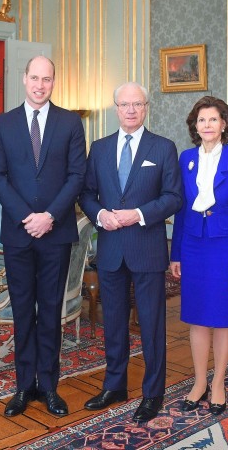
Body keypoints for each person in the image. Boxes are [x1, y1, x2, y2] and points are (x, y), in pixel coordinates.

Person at [0, 55, 86, 418]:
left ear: (53, 82)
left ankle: (49, 387)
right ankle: (22, 386)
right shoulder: (4, 123)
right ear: (24, 79)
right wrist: (27, 217)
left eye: (47, 79)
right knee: (22, 313)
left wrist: (49, 216)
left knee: (50, 313)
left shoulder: (70, 122)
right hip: (18, 234)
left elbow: (77, 175)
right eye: (34, 78)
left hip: (55, 234)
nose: (40, 85)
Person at [79, 82, 182, 423]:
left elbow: (172, 197)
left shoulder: (164, 148)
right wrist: (99, 214)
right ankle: (115, 385)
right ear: (116, 108)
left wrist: (137, 214)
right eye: (125, 104)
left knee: (152, 324)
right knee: (114, 324)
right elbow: (88, 194)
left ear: (146, 107)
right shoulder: (101, 147)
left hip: (147, 248)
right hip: (110, 249)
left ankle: (153, 394)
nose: (131, 110)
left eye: (137, 104)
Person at [169, 96, 228, 416]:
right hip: (193, 247)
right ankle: (199, 382)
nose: (207, 125)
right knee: (197, 317)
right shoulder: (185, 158)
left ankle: (218, 382)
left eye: (213, 120)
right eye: (201, 120)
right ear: (195, 126)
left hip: (226, 248)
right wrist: (175, 253)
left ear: (224, 125)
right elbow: (179, 210)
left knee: (222, 318)